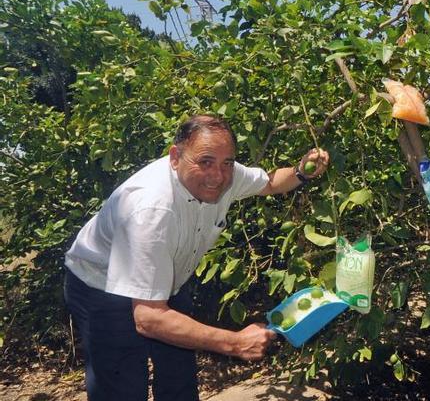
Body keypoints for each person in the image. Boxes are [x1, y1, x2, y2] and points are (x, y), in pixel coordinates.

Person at [63, 114, 329, 401]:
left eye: (226, 163)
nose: (218, 175)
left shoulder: (225, 174)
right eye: (205, 162)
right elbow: (149, 318)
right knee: (122, 386)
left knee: (179, 378)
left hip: (166, 280)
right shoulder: (151, 209)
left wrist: (302, 171)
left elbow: (270, 183)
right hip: (100, 287)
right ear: (175, 157)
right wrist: (236, 343)